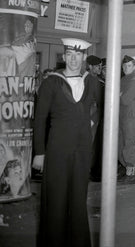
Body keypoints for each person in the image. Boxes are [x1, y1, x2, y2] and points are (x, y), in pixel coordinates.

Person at [32, 38, 100, 247]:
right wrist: (40, 153)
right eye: (69, 55)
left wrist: (91, 121)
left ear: (84, 58)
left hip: (82, 151)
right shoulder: (51, 81)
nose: (73, 59)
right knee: (56, 201)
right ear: (63, 57)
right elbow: (40, 119)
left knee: (78, 200)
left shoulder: (92, 81)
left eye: (78, 55)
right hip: (57, 150)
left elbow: (106, 108)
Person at [118, 55, 135, 184]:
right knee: (120, 144)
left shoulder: (134, 80)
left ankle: (131, 174)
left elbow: (125, 99)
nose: (126, 68)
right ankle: (125, 168)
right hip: (122, 114)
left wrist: (119, 95)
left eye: (129, 66)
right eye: (124, 66)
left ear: (134, 67)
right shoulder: (123, 79)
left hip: (131, 115)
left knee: (128, 144)